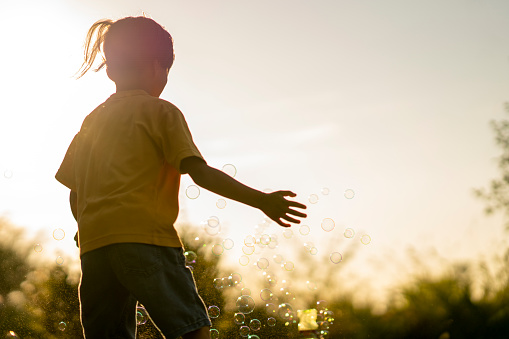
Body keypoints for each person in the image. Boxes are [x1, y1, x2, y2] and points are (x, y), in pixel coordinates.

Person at [55, 16, 307, 339]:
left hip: (94, 250)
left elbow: (76, 191)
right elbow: (199, 173)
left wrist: (88, 227)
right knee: (191, 330)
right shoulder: (161, 112)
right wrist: (261, 200)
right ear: (156, 65)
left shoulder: (91, 122)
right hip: (146, 240)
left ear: (110, 69)